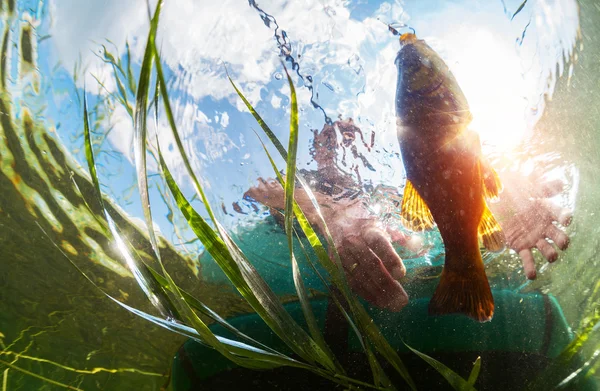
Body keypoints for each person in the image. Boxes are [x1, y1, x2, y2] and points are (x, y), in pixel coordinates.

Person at [244, 118, 572, 313]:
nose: (339, 145)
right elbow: (256, 191)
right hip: (309, 258)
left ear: (366, 144)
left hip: (401, 257)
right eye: (328, 139)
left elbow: (435, 196)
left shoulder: (381, 189)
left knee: (419, 249)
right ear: (315, 147)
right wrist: (325, 214)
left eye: (349, 137)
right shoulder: (300, 177)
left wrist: (489, 196)